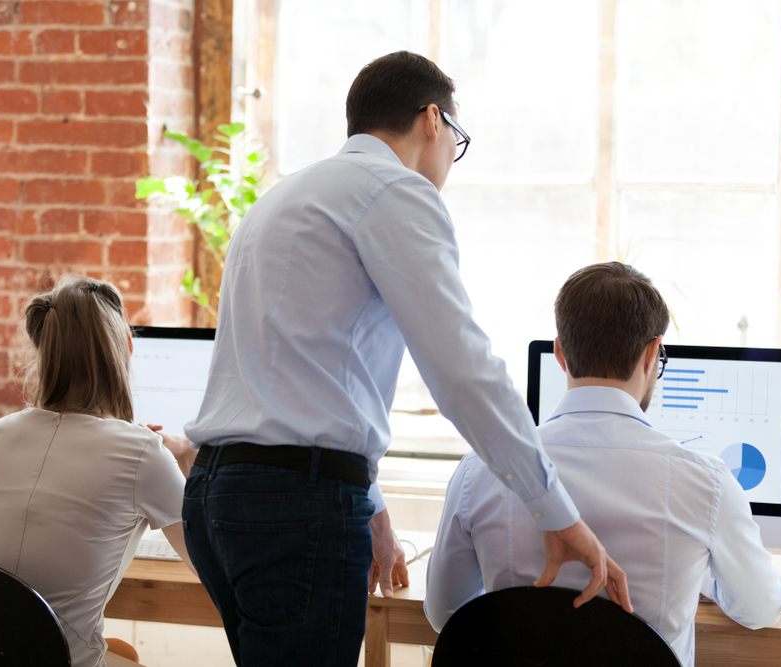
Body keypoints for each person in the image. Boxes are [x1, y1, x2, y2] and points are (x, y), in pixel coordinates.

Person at [181, 51, 630, 666]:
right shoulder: (396, 192)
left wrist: (371, 505)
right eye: (457, 139)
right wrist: (556, 511)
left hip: (217, 497)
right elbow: (463, 370)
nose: (451, 156)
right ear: (431, 119)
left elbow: (309, 378)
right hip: (294, 508)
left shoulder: (286, 198)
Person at [425, 262, 781, 666]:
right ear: (652, 353)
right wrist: (701, 575)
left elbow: (444, 613)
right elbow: (760, 610)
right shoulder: (709, 483)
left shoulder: (478, 471)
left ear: (559, 353)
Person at [0, 275, 195, 667]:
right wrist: (185, 464)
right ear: (126, 347)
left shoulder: (3, 434)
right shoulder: (143, 452)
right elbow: (209, 565)